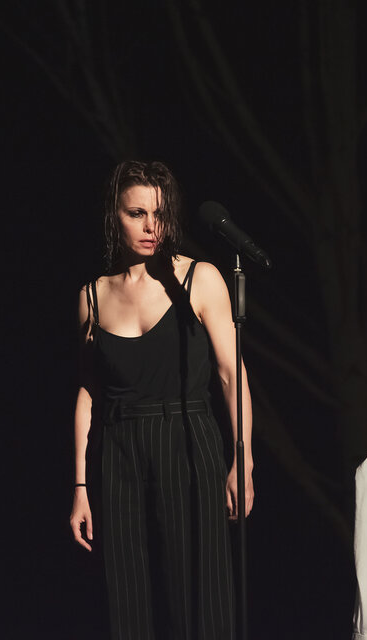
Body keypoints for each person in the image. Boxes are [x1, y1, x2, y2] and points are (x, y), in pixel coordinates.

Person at [69, 160, 254, 639]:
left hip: (187, 438)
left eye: (160, 213)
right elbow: (89, 392)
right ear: (114, 215)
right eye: (137, 213)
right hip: (118, 449)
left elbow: (231, 373)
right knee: (125, 596)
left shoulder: (199, 278)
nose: (152, 226)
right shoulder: (92, 296)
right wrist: (80, 486)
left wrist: (243, 459)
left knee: (198, 594)